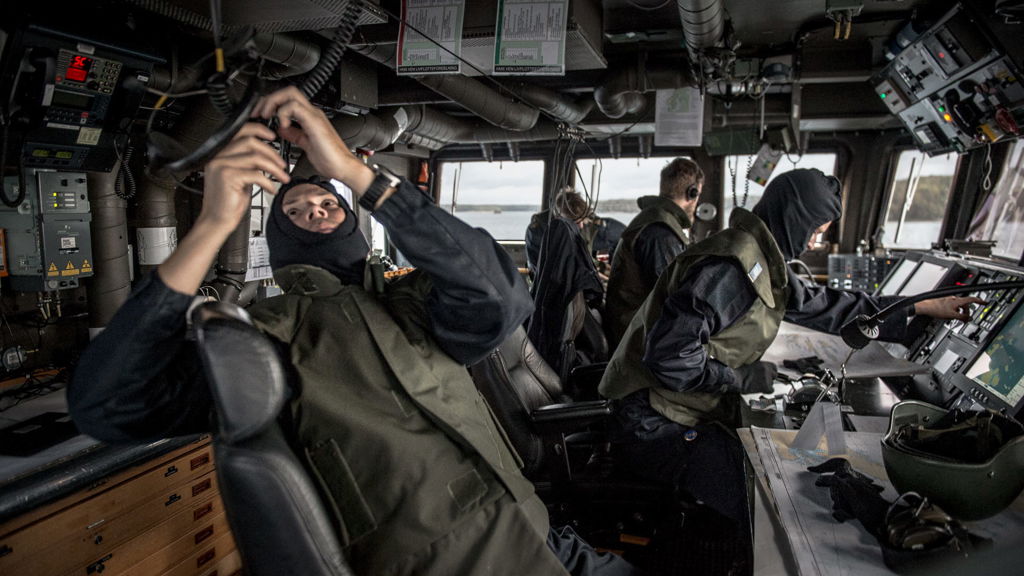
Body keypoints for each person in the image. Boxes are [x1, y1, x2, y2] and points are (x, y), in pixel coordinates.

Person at [69, 87, 638, 576]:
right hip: (450, 558)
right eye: (296, 209)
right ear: (280, 241)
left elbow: (500, 295)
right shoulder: (269, 335)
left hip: (527, 524)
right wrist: (215, 223)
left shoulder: (411, 299)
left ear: (354, 223)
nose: (317, 210)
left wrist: (355, 173)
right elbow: (108, 402)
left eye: (328, 202)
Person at [598, 168, 984, 564]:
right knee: (771, 499)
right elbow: (669, 358)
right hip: (651, 421)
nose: (816, 239)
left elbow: (821, 305)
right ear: (795, 217)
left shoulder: (760, 258)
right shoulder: (732, 269)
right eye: (816, 228)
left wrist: (916, 306)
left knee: (795, 473)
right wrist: (738, 378)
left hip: (676, 407)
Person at [604, 157, 704, 348]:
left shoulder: (655, 221)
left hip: (634, 329)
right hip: (637, 340)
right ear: (693, 193)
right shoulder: (660, 233)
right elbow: (672, 297)